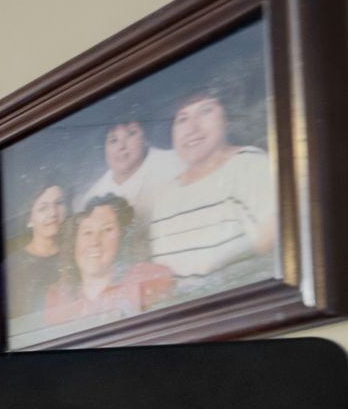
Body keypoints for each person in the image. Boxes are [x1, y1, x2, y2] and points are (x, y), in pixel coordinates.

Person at [146, 80, 279, 285]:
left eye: (205, 111)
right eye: (182, 119)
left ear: (226, 118)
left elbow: (276, 245)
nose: (192, 128)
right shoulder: (165, 195)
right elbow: (165, 278)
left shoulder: (251, 165)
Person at [44, 193, 173, 333]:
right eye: (87, 232)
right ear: (74, 241)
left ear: (122, 238)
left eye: (107, 230)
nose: (95, 242)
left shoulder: (147, 278)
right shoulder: (58, 297)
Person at [79, 117, 184, 221]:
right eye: (113, 140)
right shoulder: (93, 197)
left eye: (131, 134)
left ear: (145, 138)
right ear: (104, 148)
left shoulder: (176, 163)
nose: (121, 146)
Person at [3, 180, 72, 328]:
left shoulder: (76, 254)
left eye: (59, 203)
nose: (53, 213)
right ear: (29, 218)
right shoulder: (13, 265)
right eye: (43, 208)